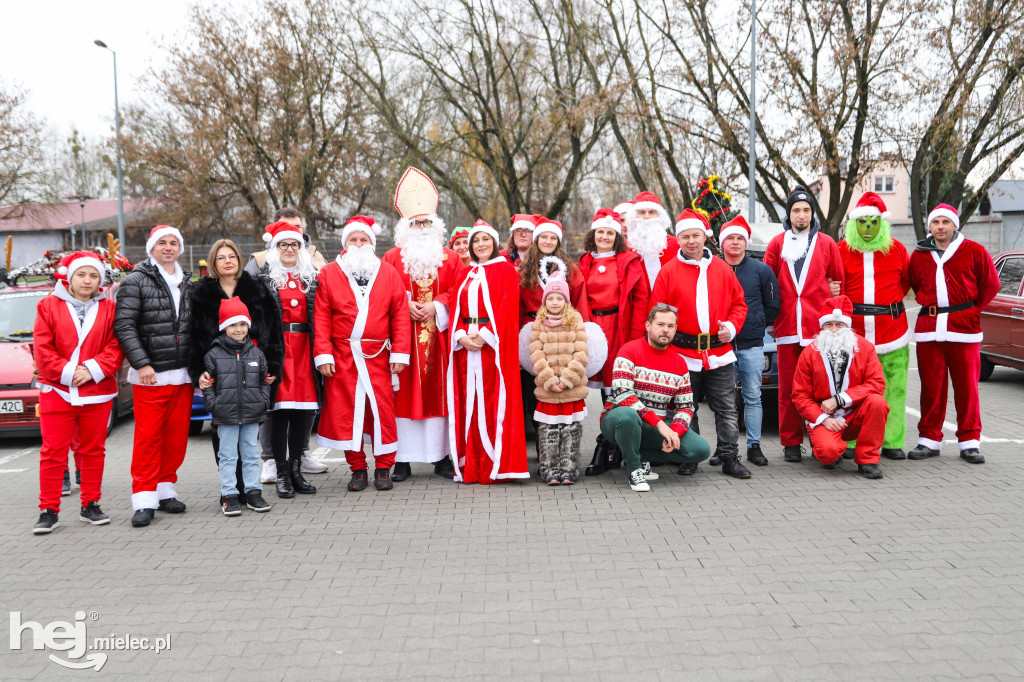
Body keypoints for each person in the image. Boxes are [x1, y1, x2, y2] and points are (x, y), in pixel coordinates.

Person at [314, 216, 411, 491]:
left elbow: (400, 316)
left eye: (364, 239)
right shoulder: (329, 273)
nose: (358, 244)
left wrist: (399, 354)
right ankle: (357, 468)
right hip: (342, 354)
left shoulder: (388, 272)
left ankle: (383, 467)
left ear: (372, 243)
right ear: (345, 243)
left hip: (378, 354)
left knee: (382, 411)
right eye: (353, 239)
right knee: (346, 412)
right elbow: (321, 317)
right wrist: (324, 354)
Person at [652, 209, 751, 479]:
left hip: (719, 353)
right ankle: (690, 456)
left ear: (705, 237)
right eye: (685, 236)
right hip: (682, 353)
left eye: (696, 235)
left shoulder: (721, 268)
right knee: (686, 408)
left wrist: (731, 327)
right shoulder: (668, 272)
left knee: (727, 408)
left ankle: (730, 456)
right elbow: (659, 312)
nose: (691, 241)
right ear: (678, 239)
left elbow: (739, 304)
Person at [32, 252, 124, 534]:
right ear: (69, 277)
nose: (87, 280)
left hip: (96, 391)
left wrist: (93, 369)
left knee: (94, 450)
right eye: (82, 274)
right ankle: (48, 509)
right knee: (52, 452)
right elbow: (42, 348)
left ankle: (90, 504)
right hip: (57, 389)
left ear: (100, 280)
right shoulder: (48, 305)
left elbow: (116, 345)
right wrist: (71, 372)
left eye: (93, 275)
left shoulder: (110, 308)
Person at [188, 238, 282, 500]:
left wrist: (273, 365)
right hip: (220, 374)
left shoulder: (258, 289)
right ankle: (232, 488)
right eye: (221, 257)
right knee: (224, 434)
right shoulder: (200, 294)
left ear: (239, 260)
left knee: (250, 434)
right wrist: (198, 371)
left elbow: (273, 332)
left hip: (253, 372)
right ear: (213, 262)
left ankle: (250, 488)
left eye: (232, 256)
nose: (227, 261)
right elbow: (193, 336)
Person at [114, 225, 194, 528]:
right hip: (150, 375)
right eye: (162, 243)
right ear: (151, 248)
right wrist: (142, 362)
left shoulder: (187, 281)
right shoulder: (135, 280)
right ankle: (144, 498)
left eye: (174, 242)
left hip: (182, 374)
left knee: (175, 439)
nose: (169, 247)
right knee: (148, 439)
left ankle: (165, 490)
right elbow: (124, 326)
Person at [907, 204, 1000, 464]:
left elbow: (991, 284)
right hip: (929, 330)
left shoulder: (975, 251)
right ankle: (928, 440)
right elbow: (916, 283)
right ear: (929, 227)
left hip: (964, 328)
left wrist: (973, 310)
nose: (940, 227)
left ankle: (969, 442)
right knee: (931, 388)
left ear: (955, 225)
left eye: (945, 222)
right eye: (935, 222)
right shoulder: (920, 254)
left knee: (967, 388)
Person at [384, 185, 463, 481]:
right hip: (402, 339)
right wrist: (406, 302)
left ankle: (441, 456)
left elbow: (458, 291)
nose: (421, 227)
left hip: (439, 342)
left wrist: (437, 306)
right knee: (401, 397)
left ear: (435, 225)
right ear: (406, 227)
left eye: (426, 222)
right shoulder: (391, 258)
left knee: (438, 396)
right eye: (415, 223)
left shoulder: (451, 259)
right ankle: (401, 460)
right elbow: (384, 292)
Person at [763, 186, 844, 463]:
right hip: (787, 326)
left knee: (822, 386)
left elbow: (838, 282)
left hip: (818, 328)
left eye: (806, 210)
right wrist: (771, 321)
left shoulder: (826, 243)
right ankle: (791, 443)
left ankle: (824, 436)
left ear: (812, 213)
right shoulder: (777, 244)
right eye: (796, 210)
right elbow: (768, 284)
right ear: (789, 214)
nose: (801, 215)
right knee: (788, 389)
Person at [246, 208, 327, 483]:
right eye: (284, 244)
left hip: (304, 349)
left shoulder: (312, 276)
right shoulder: (262, 276)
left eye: (295, 243)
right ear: (275, 247)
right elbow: (253, 319)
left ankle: (296, 469)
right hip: (277, 351)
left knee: (302, 410)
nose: (290, 249)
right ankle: (278, 469)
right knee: (277, 412)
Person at [447, 220, 529, 484]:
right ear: (470, 246)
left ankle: (495, 464)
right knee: (470, 405)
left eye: (486, 239)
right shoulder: (463, 272)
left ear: (494, 243)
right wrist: (460, 335)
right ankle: (472, 465)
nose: (481, 244)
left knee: (493, 403)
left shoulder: (505, 271)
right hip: (465, 348)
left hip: (491, 350)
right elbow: (454, 307)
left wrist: (484, 336)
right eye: (476, 240)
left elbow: (508, 311)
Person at [600, 305, 711, 492]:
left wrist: (674, 432)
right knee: (628, 417)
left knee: (700, 450)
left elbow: (686, 406)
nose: (665, 330)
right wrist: (660, 425)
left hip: (651, 425)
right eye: (660, 324)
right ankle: (635, 470)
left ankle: (637, 454)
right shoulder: (629, 351)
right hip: (617, 419)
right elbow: (622, 394)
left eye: (670, 326)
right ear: (648, 325)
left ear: (675, 329)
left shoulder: (679, 363)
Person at [838, 192, 912, 460]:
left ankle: (893, 440)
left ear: (882, 223)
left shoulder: (897, 250)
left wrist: (886, 305)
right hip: (854, 334)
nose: (868, 227)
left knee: (895, 388)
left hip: (893, 332)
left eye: (873, 222)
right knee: (852, 388)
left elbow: (906, 282)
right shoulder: (841, 250)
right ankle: (851, 439)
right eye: (862, 222)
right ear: (853, 224)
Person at [578, 208, 650, 476]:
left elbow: (641, 300)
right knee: (602, 390)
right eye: (601, 232)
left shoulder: (630, 261)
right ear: (593, 235)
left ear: (617, 236)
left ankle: (607, 446)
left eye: (610, 232)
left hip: (618, 328)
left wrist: (633, 339)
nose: (605, 237)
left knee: (618, 389)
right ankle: (612, 445)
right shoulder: (584, 261)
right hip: (592, 328)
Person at [791, 296, 887, 479]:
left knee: (877, 402)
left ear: (848, 326)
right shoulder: (810, 352)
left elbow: (876, 384)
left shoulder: (865, 347)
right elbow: (800, 395)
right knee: (828, 455)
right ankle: (829, 446)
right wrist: (823, 419)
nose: (834, 330)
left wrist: (839, 399)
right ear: (822, 327)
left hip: (855, 413)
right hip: (825, 416)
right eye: (829, 325)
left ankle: (867, 460)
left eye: (839, 325)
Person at [518, 217, 591, 437]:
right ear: (536, 239)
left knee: (564, 390)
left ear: (558, 242)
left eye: (552, 238)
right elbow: (518, 305)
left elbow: (580, 302)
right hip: (533, 334)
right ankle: (543, 451)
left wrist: (583, 331)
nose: (548, 241)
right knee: (536, 391)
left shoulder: (570, 269)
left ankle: (566, 445)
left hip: (565, 335)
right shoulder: (524, 269)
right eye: (543, 237)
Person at [717, 216, 779, 466]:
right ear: (722, 243)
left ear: (746, 242)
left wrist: (756, 323)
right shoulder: (713, 268)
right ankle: (724, 448)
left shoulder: (762, 270)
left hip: (751, 344)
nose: (735, 242)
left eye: (740, 238)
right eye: (730, 238)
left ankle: (754, 446)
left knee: (753, 396)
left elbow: (772, 305)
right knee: (724, 399)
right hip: (720, 346)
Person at [202, 298, 273, 515]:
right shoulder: (214, 354)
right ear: (224, 327)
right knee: (228, 456)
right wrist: (214, 405)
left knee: (251, 454)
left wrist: (263, 401)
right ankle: (229, 495)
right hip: (225, 416)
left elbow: (264, 380)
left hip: (252, 414)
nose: (238, 329)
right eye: (233, 325)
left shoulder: (256, 353)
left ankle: (253, 492)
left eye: (242, 324)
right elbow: (208, 384)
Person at [529, 273, 589, 485]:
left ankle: (569, 468)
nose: (555, 302)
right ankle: (549, 468)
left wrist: (566, 380)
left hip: (570, 387)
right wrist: (549, 379)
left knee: (570, 428)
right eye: (551, 298)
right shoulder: (539, 324)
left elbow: (581, 353)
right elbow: (536, 354)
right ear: (545, 301)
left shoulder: (575, 321)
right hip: (548, 389)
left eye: (559, 298)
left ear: (566, 301)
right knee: (549, 429)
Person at [622, 191, 679, 290]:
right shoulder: (625, 248)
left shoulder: (676, 244)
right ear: (634, 217)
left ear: (660, 216)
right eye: (642, 212)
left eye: (652, 212)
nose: (646, 216)